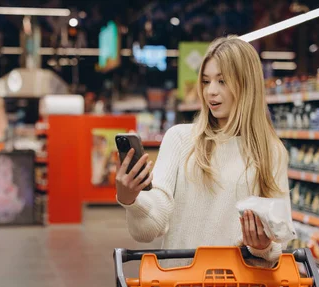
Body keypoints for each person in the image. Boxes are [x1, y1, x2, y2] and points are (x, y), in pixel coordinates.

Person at [115, 35, 289, 262]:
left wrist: (263, 246)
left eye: (222, 81)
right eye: (206, 81)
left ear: (247, 84)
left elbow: (282, 238)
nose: (210, 91)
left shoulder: (271, 151)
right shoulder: (180, 139)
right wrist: (131, 199)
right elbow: (150, 228)